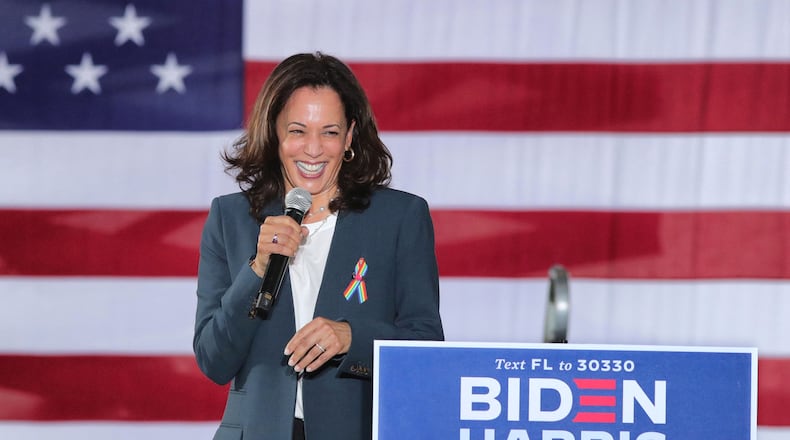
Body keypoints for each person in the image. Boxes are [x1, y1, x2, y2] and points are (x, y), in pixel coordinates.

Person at [193, 52, 444, 440]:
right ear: (274, 133)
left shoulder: (400, 217)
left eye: (329, 131)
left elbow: (426, 346)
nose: (313, 149)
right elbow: (213, 360)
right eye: (297, 130)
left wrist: (352, 337)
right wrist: (257, 268)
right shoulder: (231, 218)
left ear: (349, 137)